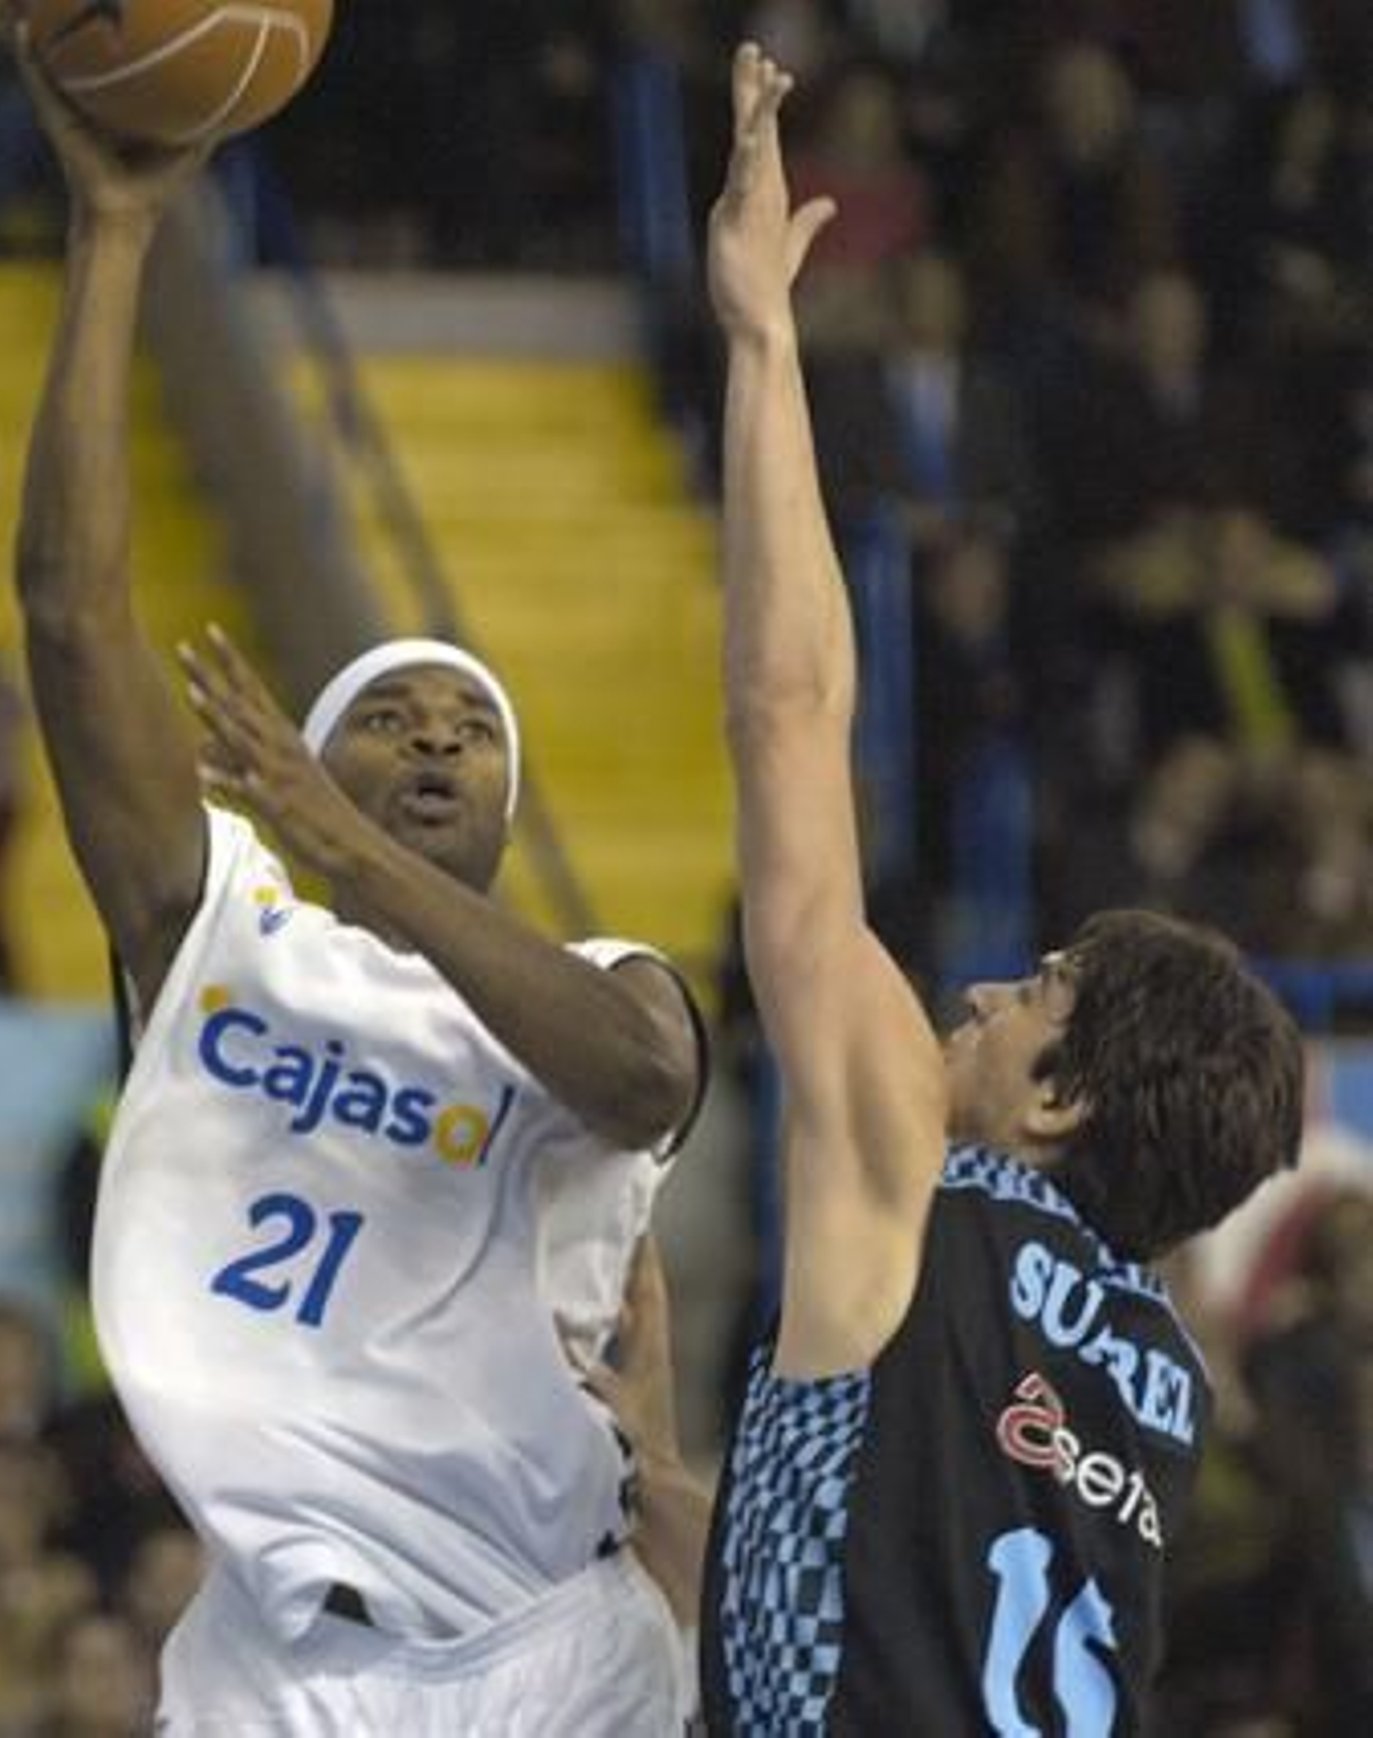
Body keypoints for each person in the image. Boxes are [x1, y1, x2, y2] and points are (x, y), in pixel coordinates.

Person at [10, 27, 704, 1737]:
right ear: (305, 769)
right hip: (272, 1655)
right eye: (390, 719)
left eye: (473, 730)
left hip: (552, 1639)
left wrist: (360, 859)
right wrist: (115, 235)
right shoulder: (220, 926)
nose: (437, 739)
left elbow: (643, 1080)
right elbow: (68, 615)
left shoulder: (610, 975)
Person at [609, 45, 1305, 1734]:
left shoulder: (920, 1183)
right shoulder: (1161, 1385)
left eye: (1036, 988)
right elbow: (856, 1603)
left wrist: (763, 343)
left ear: (1060, 1098)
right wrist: (653, 1472)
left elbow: (792, 719)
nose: (984, 992)